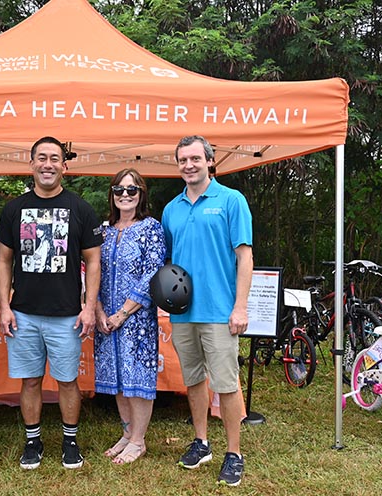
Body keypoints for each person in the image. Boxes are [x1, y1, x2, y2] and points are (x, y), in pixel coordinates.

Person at [0, 136, 102, 470]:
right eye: (41, 158)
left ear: (64, 167)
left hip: (67, 315)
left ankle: (70, 441)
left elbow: (94, 261)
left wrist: (88, 307)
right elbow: (3, 261)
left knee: (68, 380)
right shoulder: (14, 209)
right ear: (31, 164)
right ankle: (33, 441)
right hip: (23, 313)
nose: (48, 164)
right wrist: (4, 306)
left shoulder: (81, 209)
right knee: (30, 380)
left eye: (54, 158)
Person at [162, 135, 253, 487]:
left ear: (210, 161)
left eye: (195, 158)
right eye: (183, 160)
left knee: (226, 384)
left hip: (219, 311)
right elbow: (170, 263)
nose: (189, 165)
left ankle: (234, 453)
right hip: (183, 312)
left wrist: (240, 307)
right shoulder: (171, 209)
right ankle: (201, 442)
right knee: (193, 380)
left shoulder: (231, 200)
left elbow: (245, 256)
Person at [94, 168, 166, 464]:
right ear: (112, 194)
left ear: (141, 194)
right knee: (117, 378)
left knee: (137, 378)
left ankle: (138, 440)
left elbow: (153, 273)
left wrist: (122, 313)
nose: (125, 195)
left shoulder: (151, 228)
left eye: (131, 189)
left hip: (136, 319)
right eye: (119, 190)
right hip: (105, 318)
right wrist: (99, 310)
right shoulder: (104, 231)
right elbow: (92, 271)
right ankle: (127, 434)